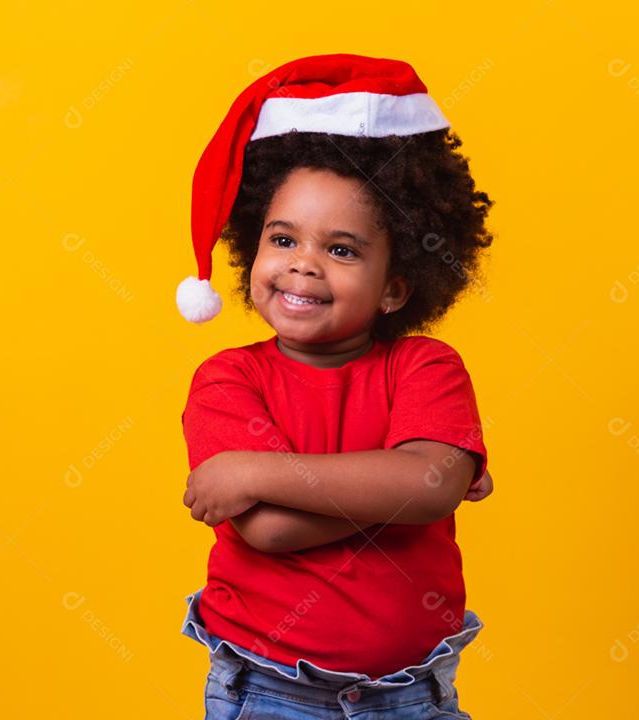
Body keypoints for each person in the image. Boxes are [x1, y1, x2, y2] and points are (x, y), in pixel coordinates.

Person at [176, 54, 496, 719]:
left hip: (415, 693)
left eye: (342, 249)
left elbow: (432, 488)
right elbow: (266, 529)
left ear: (396, 288)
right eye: (283, 238)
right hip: (268, 690)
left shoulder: (426, 367)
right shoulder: (228, 378)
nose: (303, 265)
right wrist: (401, 484)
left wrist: (254, 468)